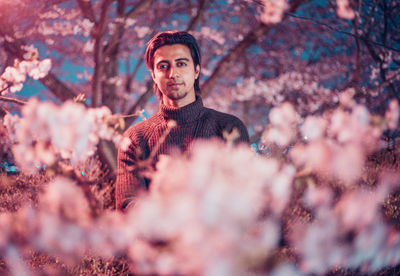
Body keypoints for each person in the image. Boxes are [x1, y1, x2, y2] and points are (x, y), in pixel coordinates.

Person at [115, 31, 249, 211]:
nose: (173, 73)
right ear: (154, 75)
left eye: (181, 64)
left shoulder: (228, 127)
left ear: (196, 70)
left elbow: (243, 199)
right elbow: (127, 205)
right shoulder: (135, 138)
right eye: (163, 66)